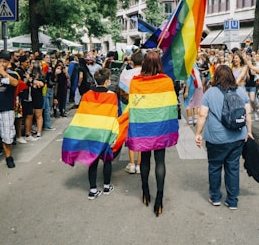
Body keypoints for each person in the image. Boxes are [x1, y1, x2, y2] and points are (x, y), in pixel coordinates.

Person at [126, 50, 179, 216]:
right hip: (160, 127)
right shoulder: (167, 81)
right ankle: (160, 199)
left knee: (145, 159)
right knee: (160, 161)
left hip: (143, 127)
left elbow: (133, 106)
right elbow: (172, 107)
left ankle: (145, 192)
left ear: (144, 64)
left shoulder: (135, 82)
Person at [195, 65, 253, 209]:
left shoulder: (210, 93)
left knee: (214, 167)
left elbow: (202, 114)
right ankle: (232, 200)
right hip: (237, 136)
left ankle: (215, 197)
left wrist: (198, 133)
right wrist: (249, 132)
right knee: (233, 168)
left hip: (216, 138)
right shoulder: (240, 91)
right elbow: (248, 114)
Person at [62, 68, 118, 199]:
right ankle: (106, 186)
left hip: (90, 133)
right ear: (107, 81)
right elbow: (114, 116)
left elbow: (81, 115)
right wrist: (114, 135)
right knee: (107, 160)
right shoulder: (112, 96)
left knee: (92, 161)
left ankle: (93, 190)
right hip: (105, 133)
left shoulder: (87, 95)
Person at [118, 50, 143, 174]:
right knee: (142, 136)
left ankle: (132, 163)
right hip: (142, 108)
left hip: (128, 108)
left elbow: (121, 92)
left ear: (131, 62)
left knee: (131, 135)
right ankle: (139, 164)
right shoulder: (146, 75)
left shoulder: (125, 74)